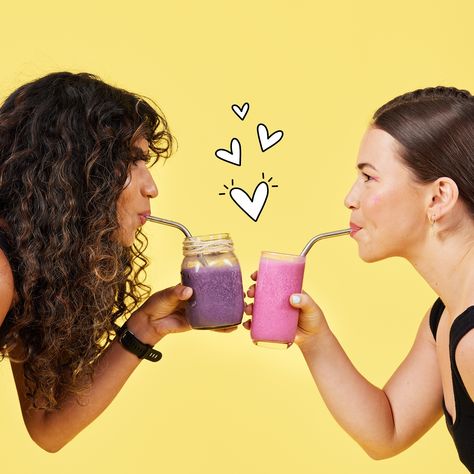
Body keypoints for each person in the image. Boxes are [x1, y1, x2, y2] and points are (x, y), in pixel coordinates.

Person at [0, 71, 234, 452]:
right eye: (132, 162)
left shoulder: (30, 268)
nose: (151, 187)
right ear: (74, 170)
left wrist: (145, 326)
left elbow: (49, 425)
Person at [245, 86, 474, 472]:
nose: (350, 198)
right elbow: (388, 429)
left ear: (438, 198)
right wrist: (315, 340)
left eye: (369, 178)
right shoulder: (446, 319)